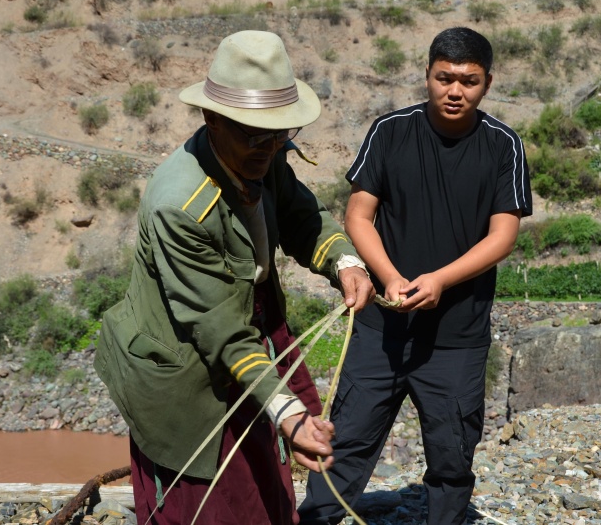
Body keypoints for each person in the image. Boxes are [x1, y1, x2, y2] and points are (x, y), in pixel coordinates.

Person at [94, 30, 374, 525]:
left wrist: (344, 262)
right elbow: (221, 332)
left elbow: (301, 216)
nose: (268, 147)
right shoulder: (179, 206)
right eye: (253, 134)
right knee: (205, 499)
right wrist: (287, 413)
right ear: (212, 118)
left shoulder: (261, 150)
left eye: (280, 134)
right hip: (185, 365)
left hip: (250, 332)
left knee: (267, 484)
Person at [299, 27, 533, 525]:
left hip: (457, 336)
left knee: (452, 455)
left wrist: (441, 280)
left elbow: (502, 236)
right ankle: (316, 519)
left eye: (468, 81)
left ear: (487, 83)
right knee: (347, 441)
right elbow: (358, 215)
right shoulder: (391, 132)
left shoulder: (503, 145)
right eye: (444, 77)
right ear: (426, 76)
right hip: (381, 330)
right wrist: (389, 276)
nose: (455, 90)